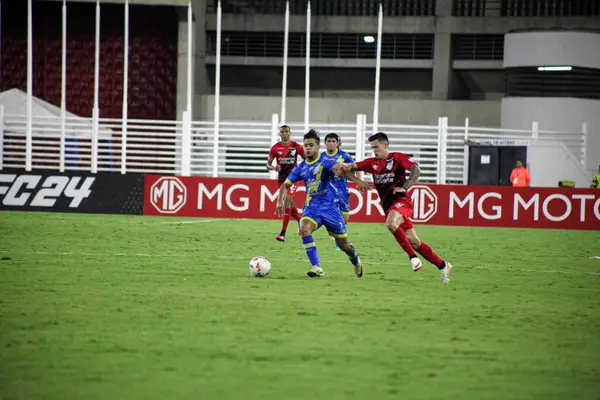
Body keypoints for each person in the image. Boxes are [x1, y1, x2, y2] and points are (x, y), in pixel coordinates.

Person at [337, 132, 452, 283]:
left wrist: (405, 187)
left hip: (402, 202)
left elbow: (416, 170)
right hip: (389, 206)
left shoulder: (397, 158)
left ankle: (413, 258)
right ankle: (443, 266)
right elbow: (344, 170)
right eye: (372, 148)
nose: (374, 151)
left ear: (386, 145)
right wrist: (358, 181)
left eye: (376, 147)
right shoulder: (371, 163)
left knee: (391, 224)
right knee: (414, 242)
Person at [276, 130, 370, 278]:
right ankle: (316, 266)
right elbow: (285, 185)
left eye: (311, 145)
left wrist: (359, 182)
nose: (307, 148)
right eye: (305, 145)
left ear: (318, 147)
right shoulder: (300, 168)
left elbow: (343, 172)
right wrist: (279, 202)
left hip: (331, 208)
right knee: (304, 228)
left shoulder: (325, 162)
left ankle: (355, 260)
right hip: (312, 207)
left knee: (344, 246)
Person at [267, 125, 305, 242]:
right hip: (281, 179)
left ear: (290, 133)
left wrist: (301, 170)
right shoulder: (275, 148)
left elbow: (307, 160)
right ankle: (300, 221)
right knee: (291, 205)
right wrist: (274, 168)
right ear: (280, 134)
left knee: (287, 202)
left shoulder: (296, 147)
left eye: (286, 131)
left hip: (293, 179)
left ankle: (282, 233)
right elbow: (267, 165)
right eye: (282, 132)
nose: (284, 133)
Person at [321, 133, 355, 250]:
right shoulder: (321, 157)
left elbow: (356, 167)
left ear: (337, 143)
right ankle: (339, 243)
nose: (331, 143)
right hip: (328, 192)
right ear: (325, 143)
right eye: (328, 141)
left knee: (344, 220)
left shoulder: (344, 156)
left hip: (342, 191)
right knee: (332, 218)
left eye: (333, 141)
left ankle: (336, 236)